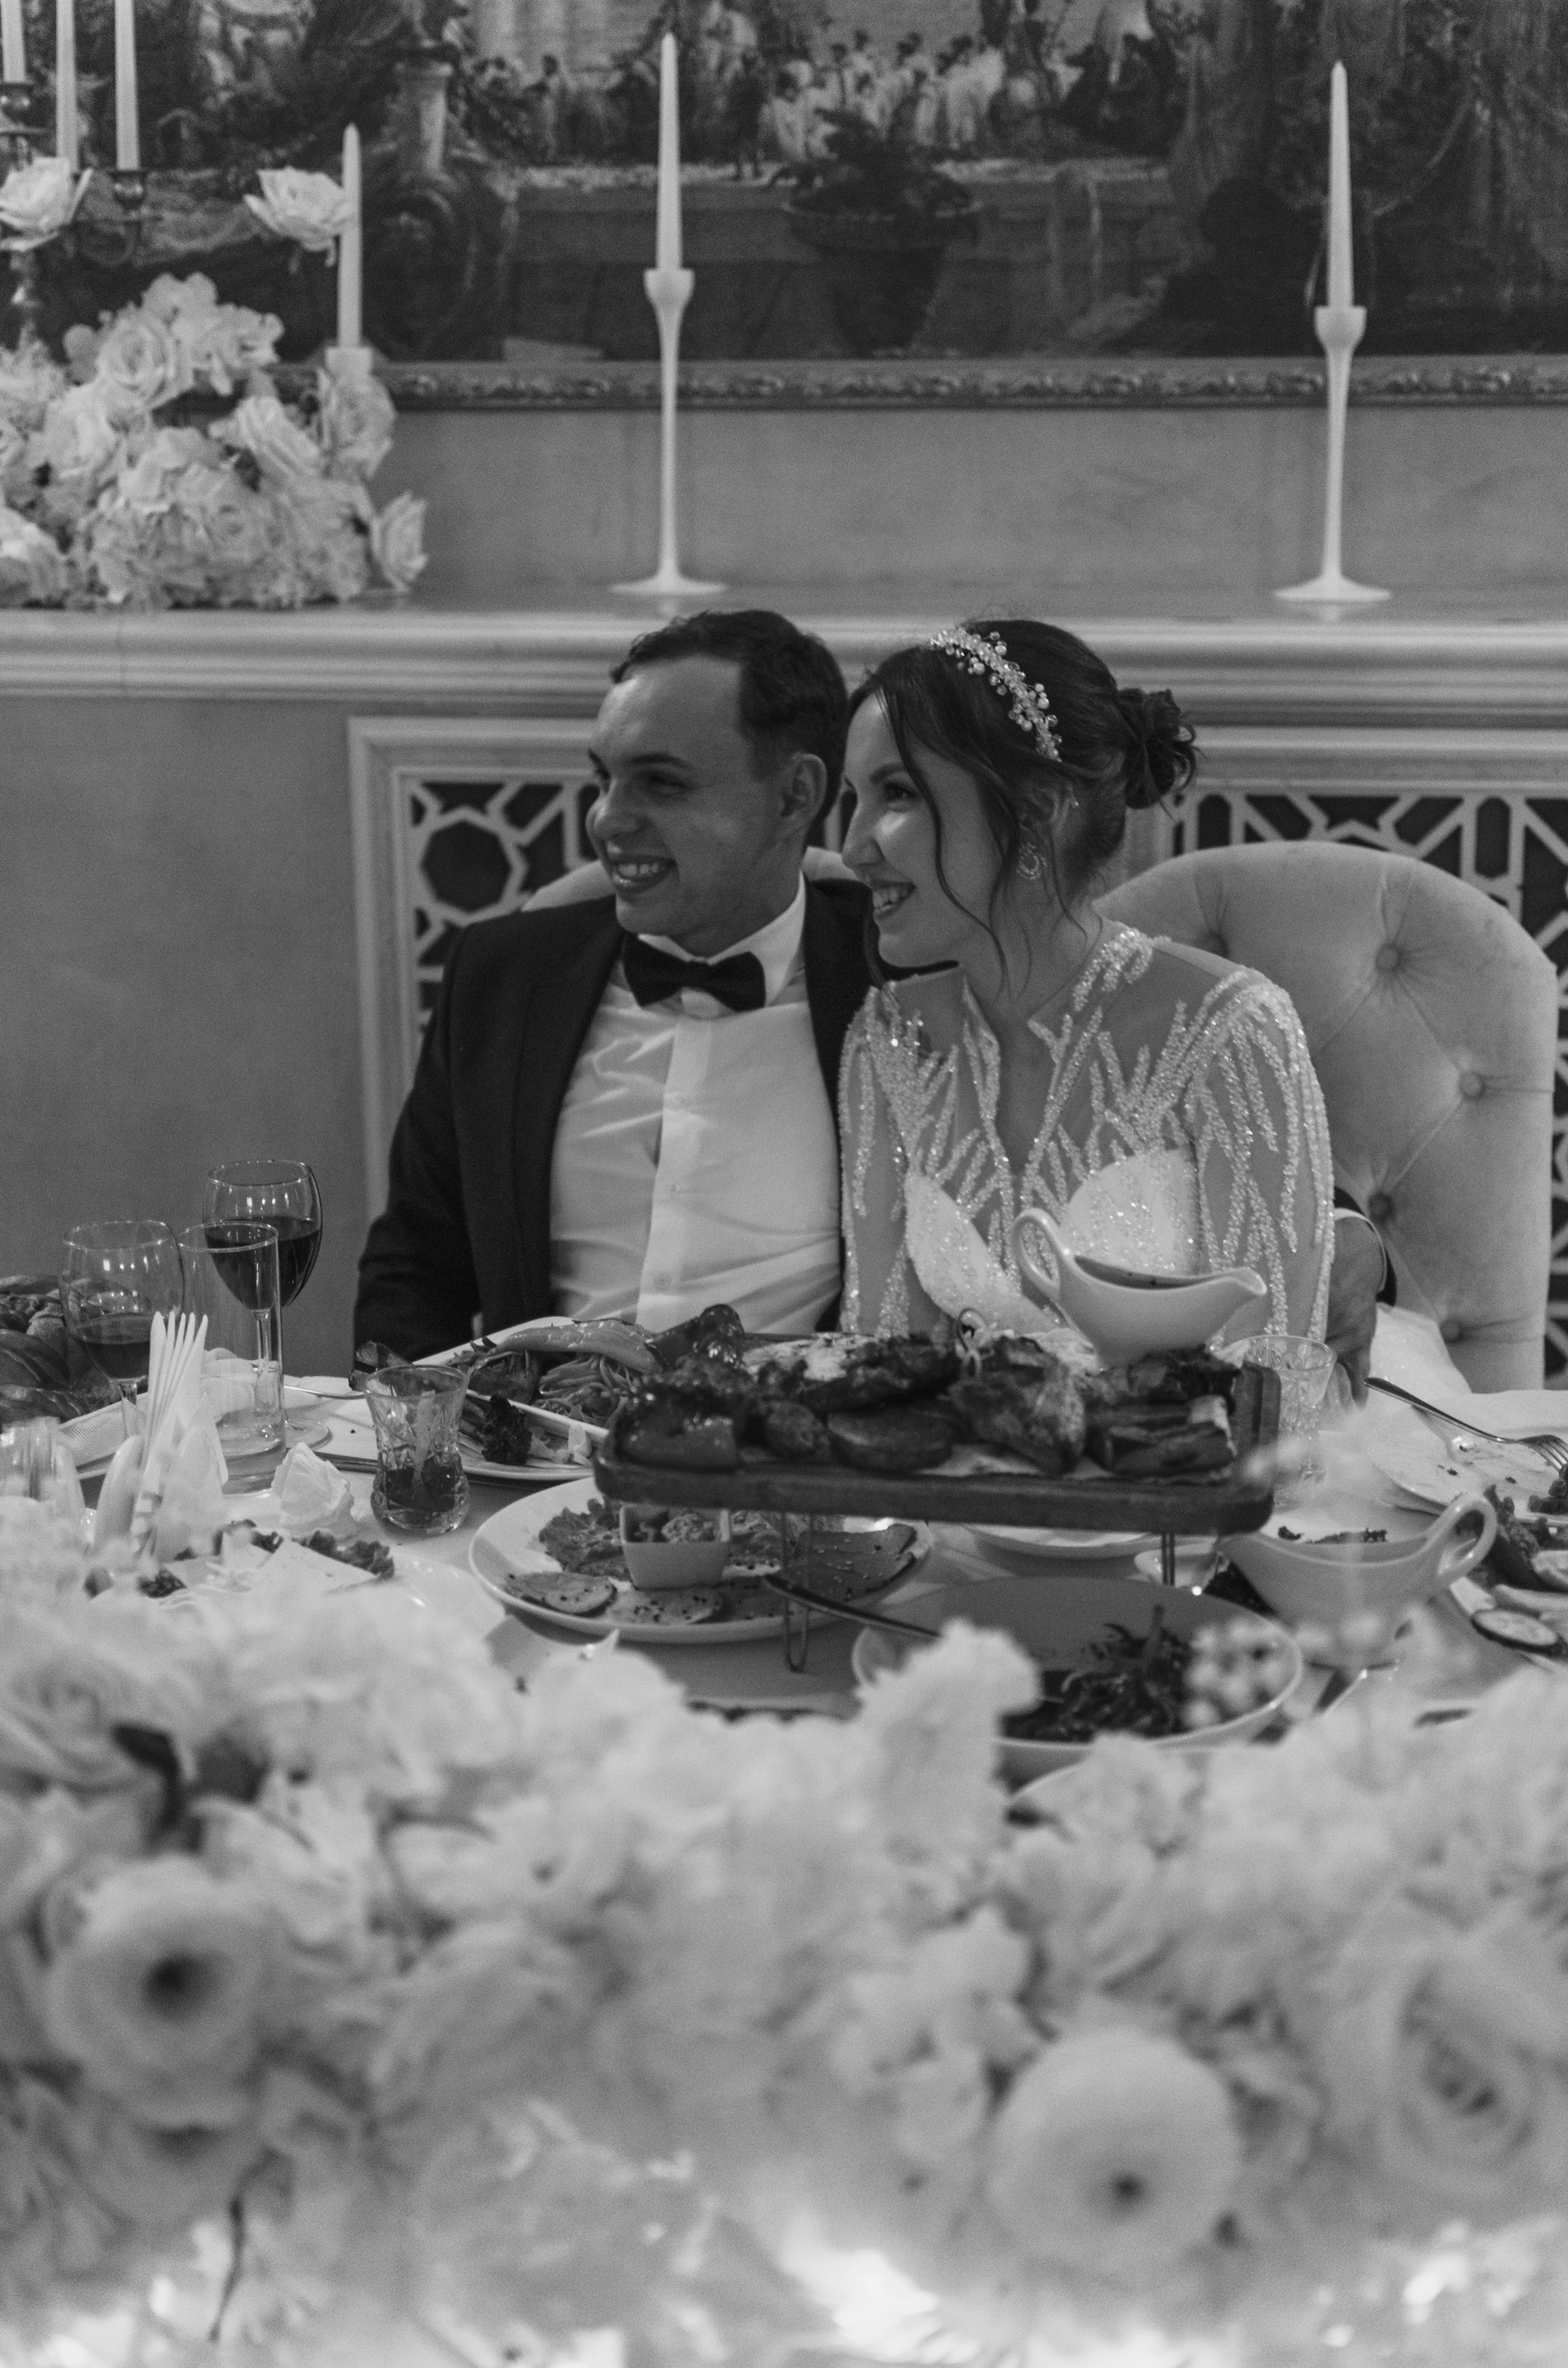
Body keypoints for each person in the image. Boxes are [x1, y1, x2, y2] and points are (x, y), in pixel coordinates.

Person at [353, 612, 867, 1359]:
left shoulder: (895, 985)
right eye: (604, 778)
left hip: (792, 1428)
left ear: (794, 796)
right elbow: (412, 1272)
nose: (606, 819)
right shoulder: (501, 980)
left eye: (660, 782)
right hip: (540, 1428)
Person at [835, 619, 1336, 1345]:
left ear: (1037, 806)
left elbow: (1275, 1377)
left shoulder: (1230, 1031)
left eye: (897, 793)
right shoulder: (888, 1041)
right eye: (852, 797)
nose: (853, 846)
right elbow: (880, 1360)